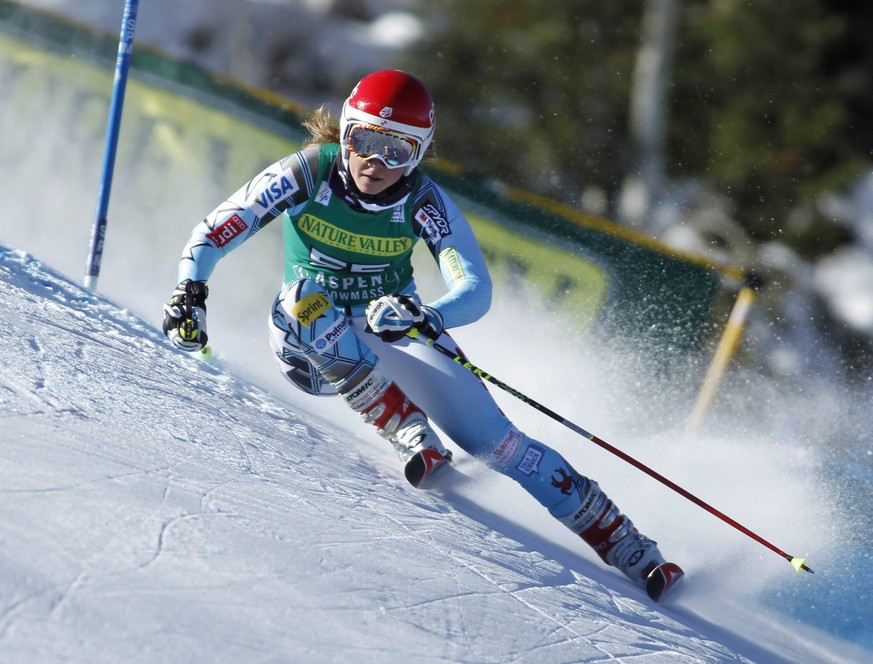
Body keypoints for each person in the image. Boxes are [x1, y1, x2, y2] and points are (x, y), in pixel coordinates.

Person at [162, 69, 677, 594]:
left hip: (385, 333)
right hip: (309, 348)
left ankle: (629, 547)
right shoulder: (308, 173)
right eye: (364, 141)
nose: (376, 162)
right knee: (303, 300)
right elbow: (218, 228)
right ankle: (406, 427)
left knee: (500, 444)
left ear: (420, 153)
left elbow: (474, 287)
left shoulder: (422, 202)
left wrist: (429, 315)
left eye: (397, 150)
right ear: (345, 133)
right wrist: (191, 292)